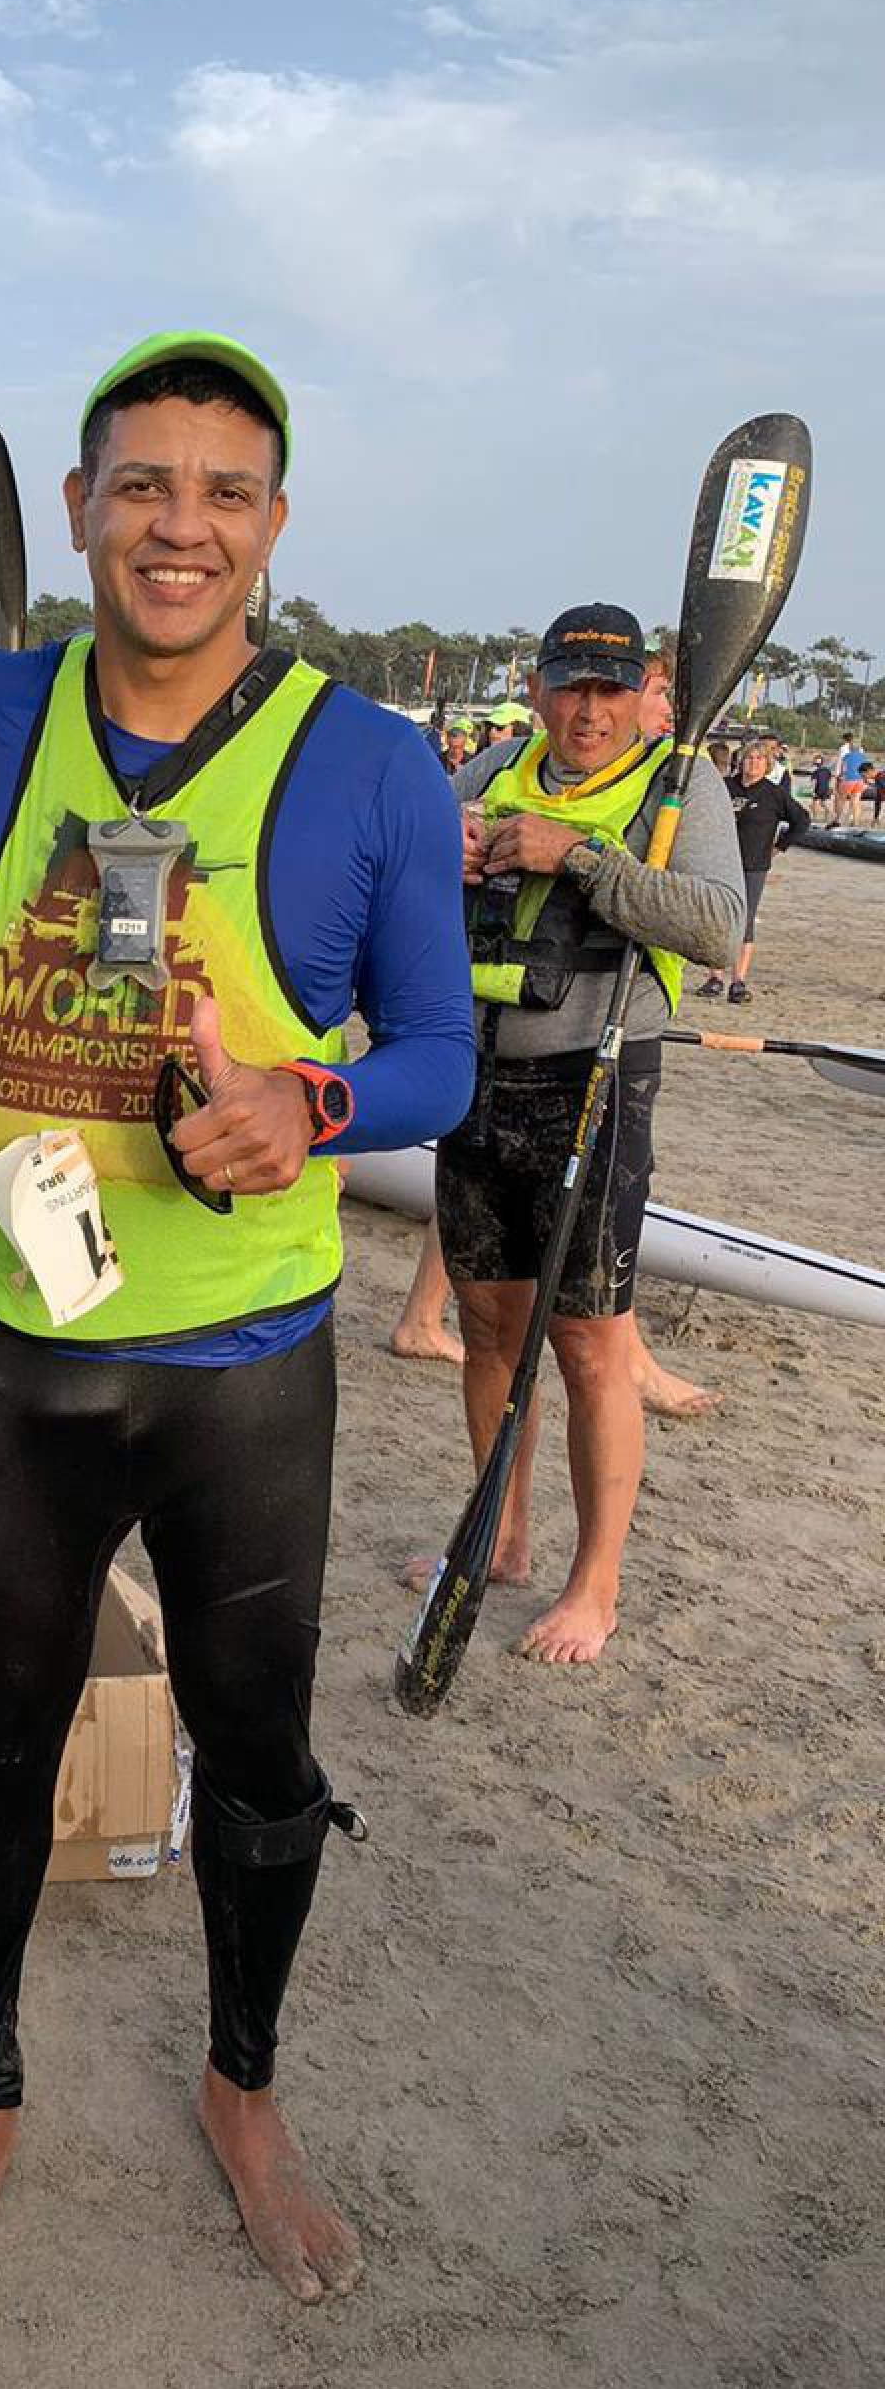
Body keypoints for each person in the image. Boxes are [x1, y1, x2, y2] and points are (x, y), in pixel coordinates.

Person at [0, 335, 475, 2297]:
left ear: (271, 523)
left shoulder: (366, 761)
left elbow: (441, 1049)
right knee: (1, 1735)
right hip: (19, 1355)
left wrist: (308, 1104)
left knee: (261, 1747)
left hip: (246, 1367)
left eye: (223, 490)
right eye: (143, 483)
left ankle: (245, 2079)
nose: (179, 523)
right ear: (85, 503)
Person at [433, 603, 743, 1665]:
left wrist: (581, 857)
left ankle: (594, 1587)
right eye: (572, 686)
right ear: (538, 688)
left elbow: (716, 925)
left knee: (590, 1345)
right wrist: (451, 852)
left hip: (599, 1080)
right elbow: (400, 878)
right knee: (487, 1328)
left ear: (641, 691)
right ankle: (502, 1538)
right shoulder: (486, 771)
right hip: (478, 1078)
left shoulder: (677, 783)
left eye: (612, 690)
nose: (590, 711)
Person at [700, 735, 807, 1003]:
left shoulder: (774, 794)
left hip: (754, 865)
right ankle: (715, 977)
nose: (753, 763)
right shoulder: (723, 787)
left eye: (760, 759)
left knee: (745, 920)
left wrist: (780, 846)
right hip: (720, 862)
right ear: (740, 761)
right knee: (719, 917)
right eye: (749, 757)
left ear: (768, 764)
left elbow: (801, 821)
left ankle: (738, 981)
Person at [834, 736, 868, 824]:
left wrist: (838, 777)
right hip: (859, 781)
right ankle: (856, 821)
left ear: (851, 747)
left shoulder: (846, 756)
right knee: (856, 801)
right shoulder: (863, 757)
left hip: (848, 780)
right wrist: (865, 781)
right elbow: (866, 770)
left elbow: (843, 769)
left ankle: (838, 819)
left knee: (842, 799)